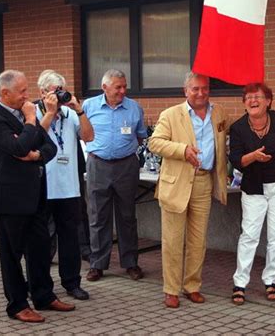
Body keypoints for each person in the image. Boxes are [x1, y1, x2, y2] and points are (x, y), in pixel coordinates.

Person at [0, 70, 75, 323]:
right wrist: (31, 120)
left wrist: (35, 155)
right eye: (22, 91)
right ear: (5, 93)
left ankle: (43, 295)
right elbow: (19, 146)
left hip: (35, 195)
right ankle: (17, 304)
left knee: (40, 248)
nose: (27, 95)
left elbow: (49, 147)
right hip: (10, 198)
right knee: (12, 255)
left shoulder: (23, 115)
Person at [149, 71, 229, 308]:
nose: (200, 93)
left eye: (204, 88)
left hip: (204, 181)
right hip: (177, 183)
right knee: (173, 240)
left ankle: (192, 285)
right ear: (186, 91)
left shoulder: (220, 113)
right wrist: (183, 150)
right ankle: (171, 289)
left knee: (198, 240)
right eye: (195, 89)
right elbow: (155, 143)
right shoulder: (171, 114)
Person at [229, 83, 275, 305]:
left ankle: (270, 280)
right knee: (249, 235)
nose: (253, 100)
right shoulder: (238, 127)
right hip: (254, 187)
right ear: (244, 103)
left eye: (257, 96)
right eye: (248, 97)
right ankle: (240, 283)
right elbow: (236, 160)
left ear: (268, 100)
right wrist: (253, 157)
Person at [82, 69, 148, 282]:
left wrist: (121, 152)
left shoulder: (134, 108)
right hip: (97, 165)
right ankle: (97, 264)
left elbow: (140, 137)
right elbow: (82, 133)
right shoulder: (88, 107)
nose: (122, 91)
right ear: (104, 87)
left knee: (127, 216)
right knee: (98, 216)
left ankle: (131, 263)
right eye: (118, 87)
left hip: (126, 167)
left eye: (124, 86)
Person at [36, 70, 94, 300]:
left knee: (70, 238)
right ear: (42, 93)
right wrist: (50, 113)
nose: (58, 95)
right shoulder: (33, 111)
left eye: (61, 89)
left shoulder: (70, 114)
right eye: (53, 90)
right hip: (43, 185)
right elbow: (34, 137)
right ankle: (40, 284)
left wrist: (79, 110)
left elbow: (89, 137)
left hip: (69, 186)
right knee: (41, 239)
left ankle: (72, 282)